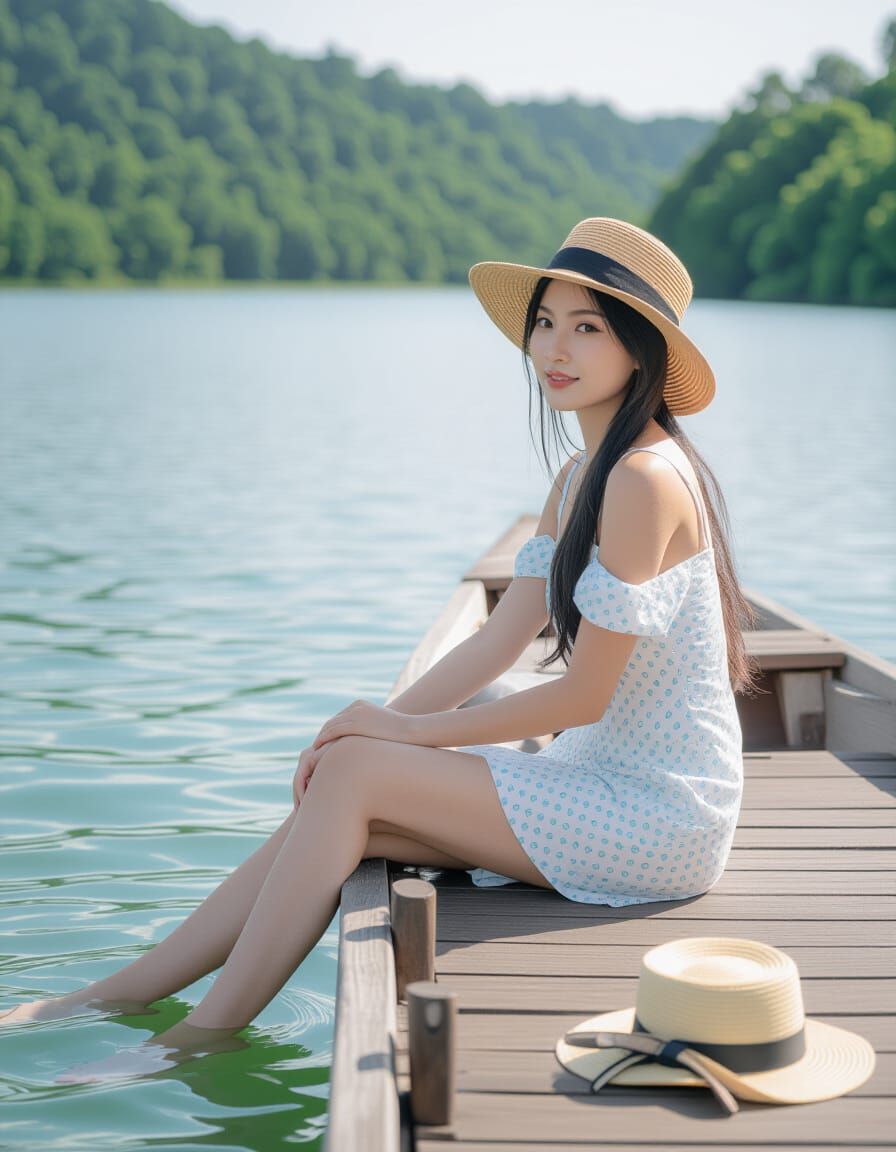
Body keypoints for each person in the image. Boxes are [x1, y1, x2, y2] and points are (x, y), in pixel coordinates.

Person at [0, 216, 758, 1082]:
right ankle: (119, 995)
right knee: (345, 793)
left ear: (641, 351)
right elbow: (503, 636)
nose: (556, 347)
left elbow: (580, 697)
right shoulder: (583, 475)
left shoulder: (644, 479)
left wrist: (387, 740)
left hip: (659, 817)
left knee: (360, 773)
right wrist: (366, 726)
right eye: (545, 321)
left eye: (589, 327)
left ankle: (187, 1042)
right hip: (599, 780)